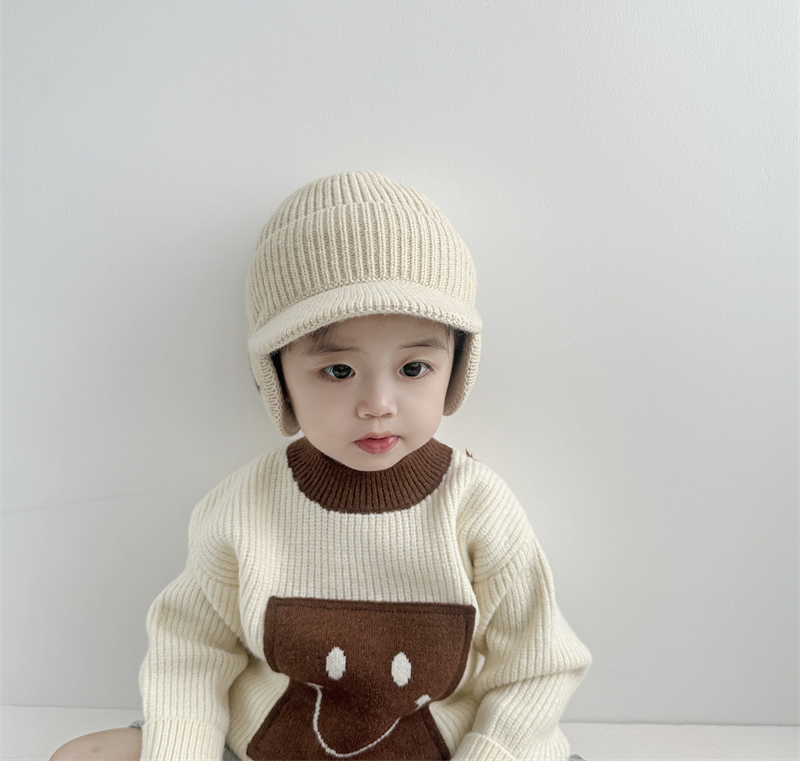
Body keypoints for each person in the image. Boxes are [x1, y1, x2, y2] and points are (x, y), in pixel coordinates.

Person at [51, 171, 591, 761]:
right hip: (267, 749)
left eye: (414, 369)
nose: (378, 404)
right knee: (84, 755)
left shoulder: (477, 506)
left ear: (456, 368)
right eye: (338, 371)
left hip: (439, 752)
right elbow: (191, 651)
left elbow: (536, 667)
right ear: (278, 379)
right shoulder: (245, 506)